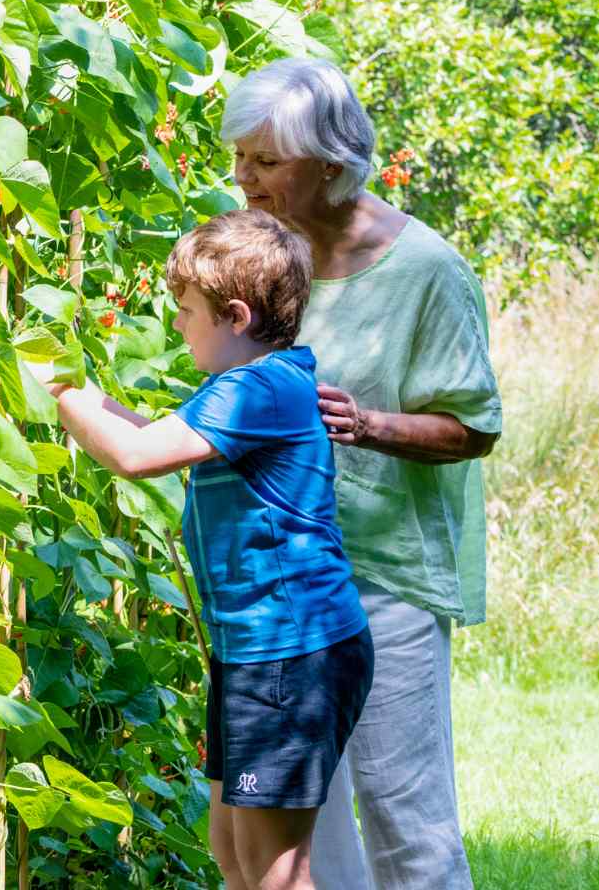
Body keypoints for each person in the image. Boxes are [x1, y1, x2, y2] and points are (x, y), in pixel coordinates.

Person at [220, 56, 502, 890]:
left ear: (334, 164)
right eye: (240, 156)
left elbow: (473, 427)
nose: (243, 178)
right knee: (304, 827)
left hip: (383, 580)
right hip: (277, 582)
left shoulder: (428, 271)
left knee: (403, 817)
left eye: (266, 162)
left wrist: (367, 424)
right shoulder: (259, 255)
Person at [43, 208, 373, 890]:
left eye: (186, 310)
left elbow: (136, 455)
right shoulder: (253, 385)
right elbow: (154, 429)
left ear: (235, 316)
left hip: (292, 653)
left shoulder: (261, 389)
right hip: (258, 652)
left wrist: (58, 388)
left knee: (276, 870)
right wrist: (82, 392)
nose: (177, 324)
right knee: (232, 851)